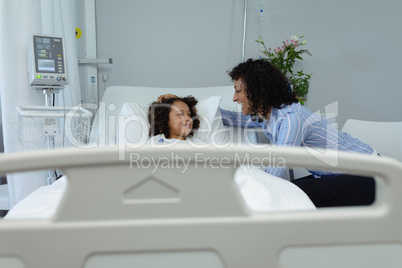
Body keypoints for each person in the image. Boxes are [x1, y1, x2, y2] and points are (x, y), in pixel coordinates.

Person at [159, 59, 376, 208]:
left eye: (237, 91)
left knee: (287, 198)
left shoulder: (291, 118)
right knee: (290, 194)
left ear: (256, 91)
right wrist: (182, 104)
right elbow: (227, 117)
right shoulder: (270, 116)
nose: (234, 98)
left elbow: (275, 170)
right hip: (341, 176)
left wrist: (241, 188)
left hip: (369, 177)